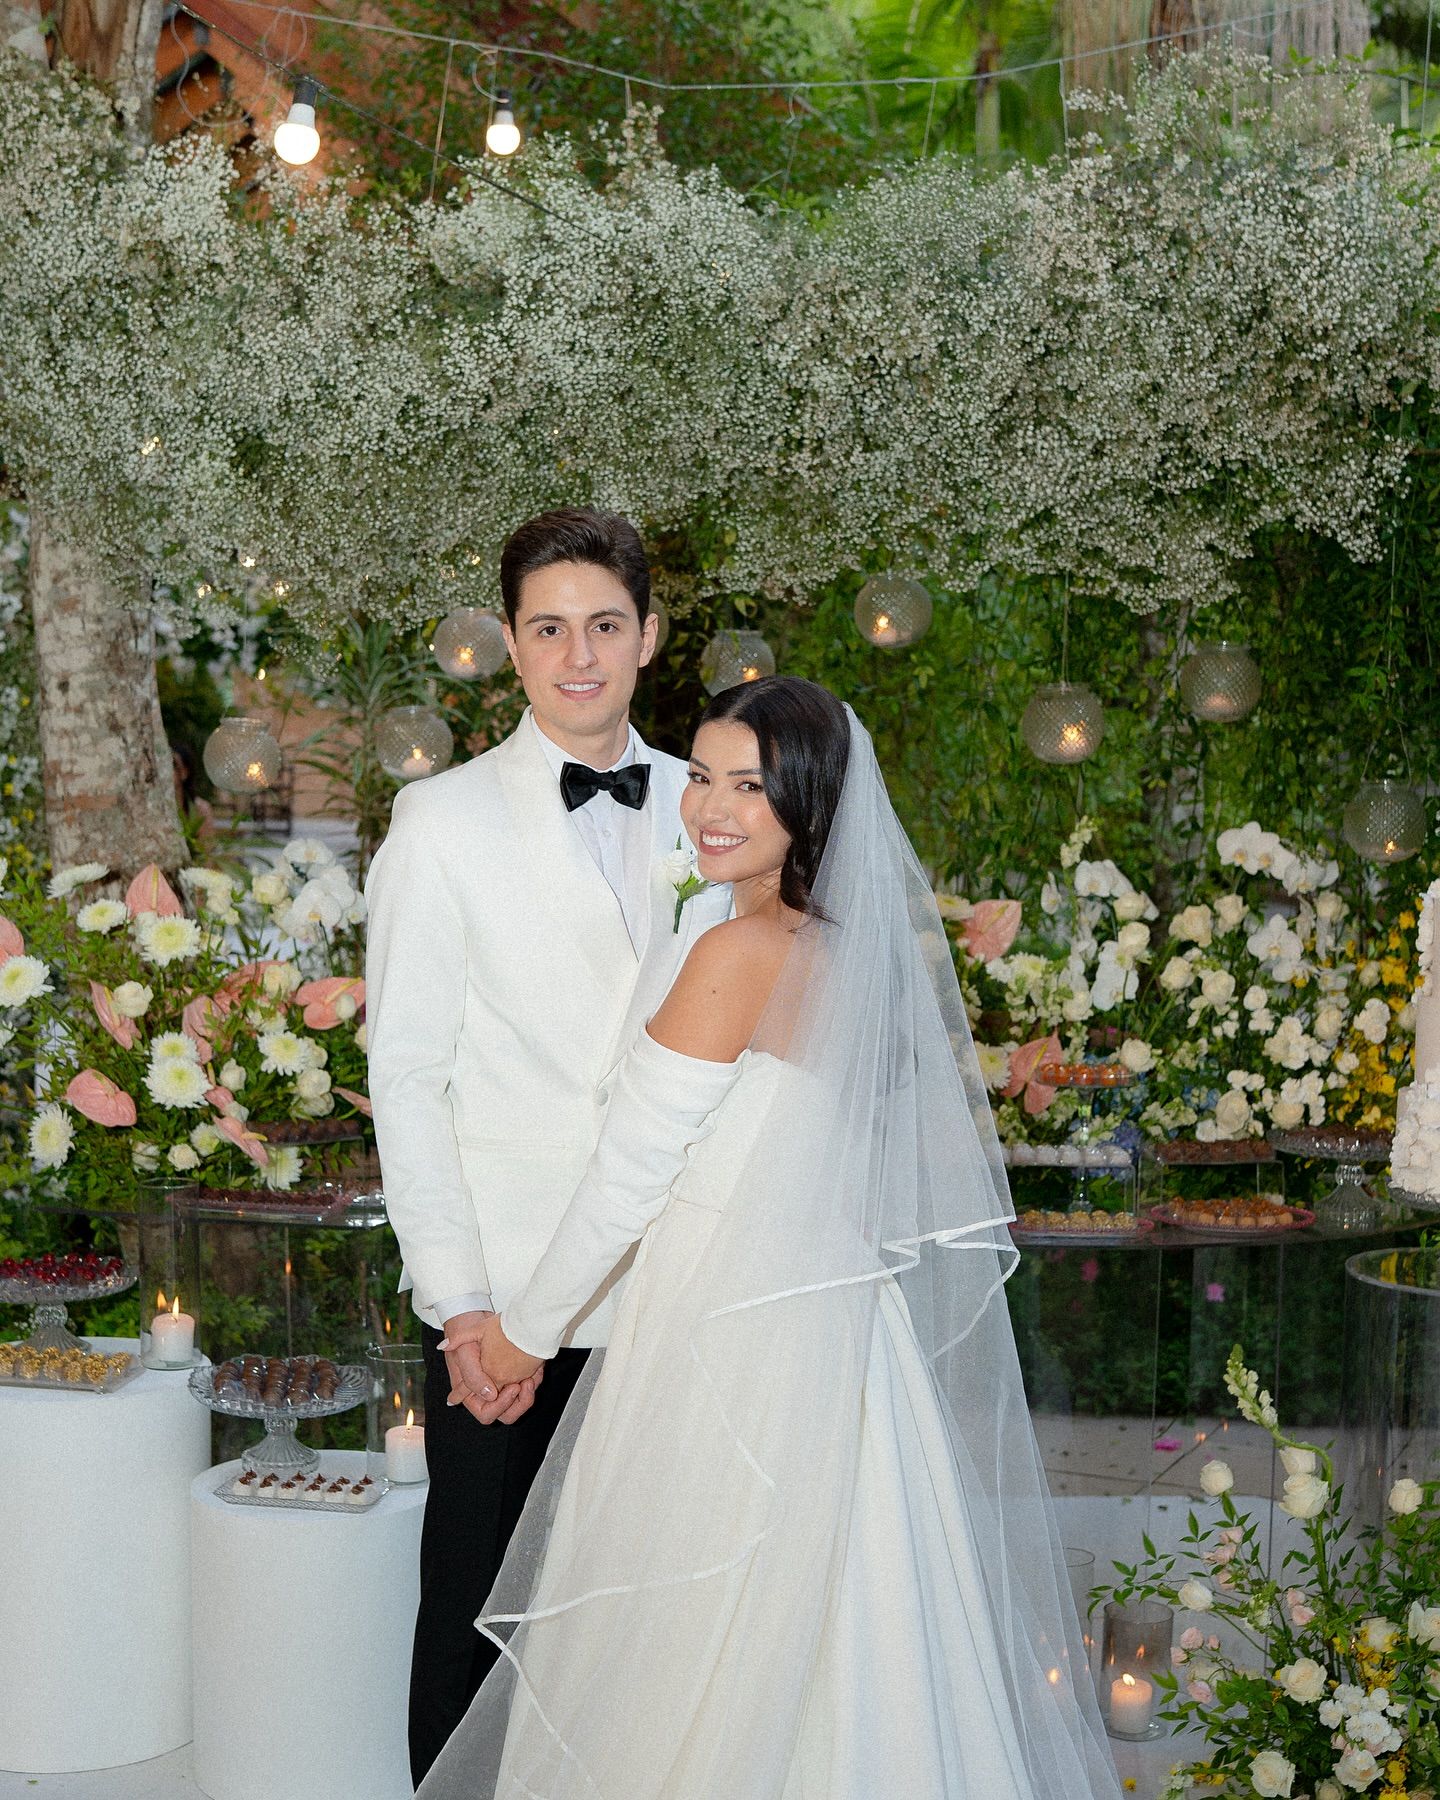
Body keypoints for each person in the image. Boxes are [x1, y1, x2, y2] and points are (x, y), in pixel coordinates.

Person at [420, 676, 1122, 1799]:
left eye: (750, 785)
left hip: (721, 1345)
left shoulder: (736, 955)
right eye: (700, 776)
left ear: (812, 802)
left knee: (694, 1652)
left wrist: (520, 1339)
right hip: (838, 1341)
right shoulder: (836, 955)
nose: (710, 807)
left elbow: (625, 1185)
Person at [364, 507, 731, 1788]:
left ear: (650, 636)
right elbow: (407, 1079)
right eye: (549, 628)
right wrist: (462, 1304)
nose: (579, 655)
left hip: (682, 1288)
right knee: (473, 1615)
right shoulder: (441, 823)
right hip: (506, 1303)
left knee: (651, 1611)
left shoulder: (718, 807)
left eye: (605, 625)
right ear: (511, 646)